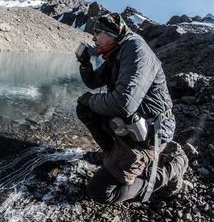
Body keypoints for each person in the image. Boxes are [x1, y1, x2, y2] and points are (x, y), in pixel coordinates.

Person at [75, 13, 188, 204]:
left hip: (152, 132)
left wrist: (90, 99)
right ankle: (114, 154)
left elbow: (123, 103)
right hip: (134, 124)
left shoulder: (135, 49)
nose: (94, 38)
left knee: (100, 192)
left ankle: (174, 167)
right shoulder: (117, 51)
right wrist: (85, 64)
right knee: (85, 108)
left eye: (98, 32)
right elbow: (94, 82)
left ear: (113, 33)